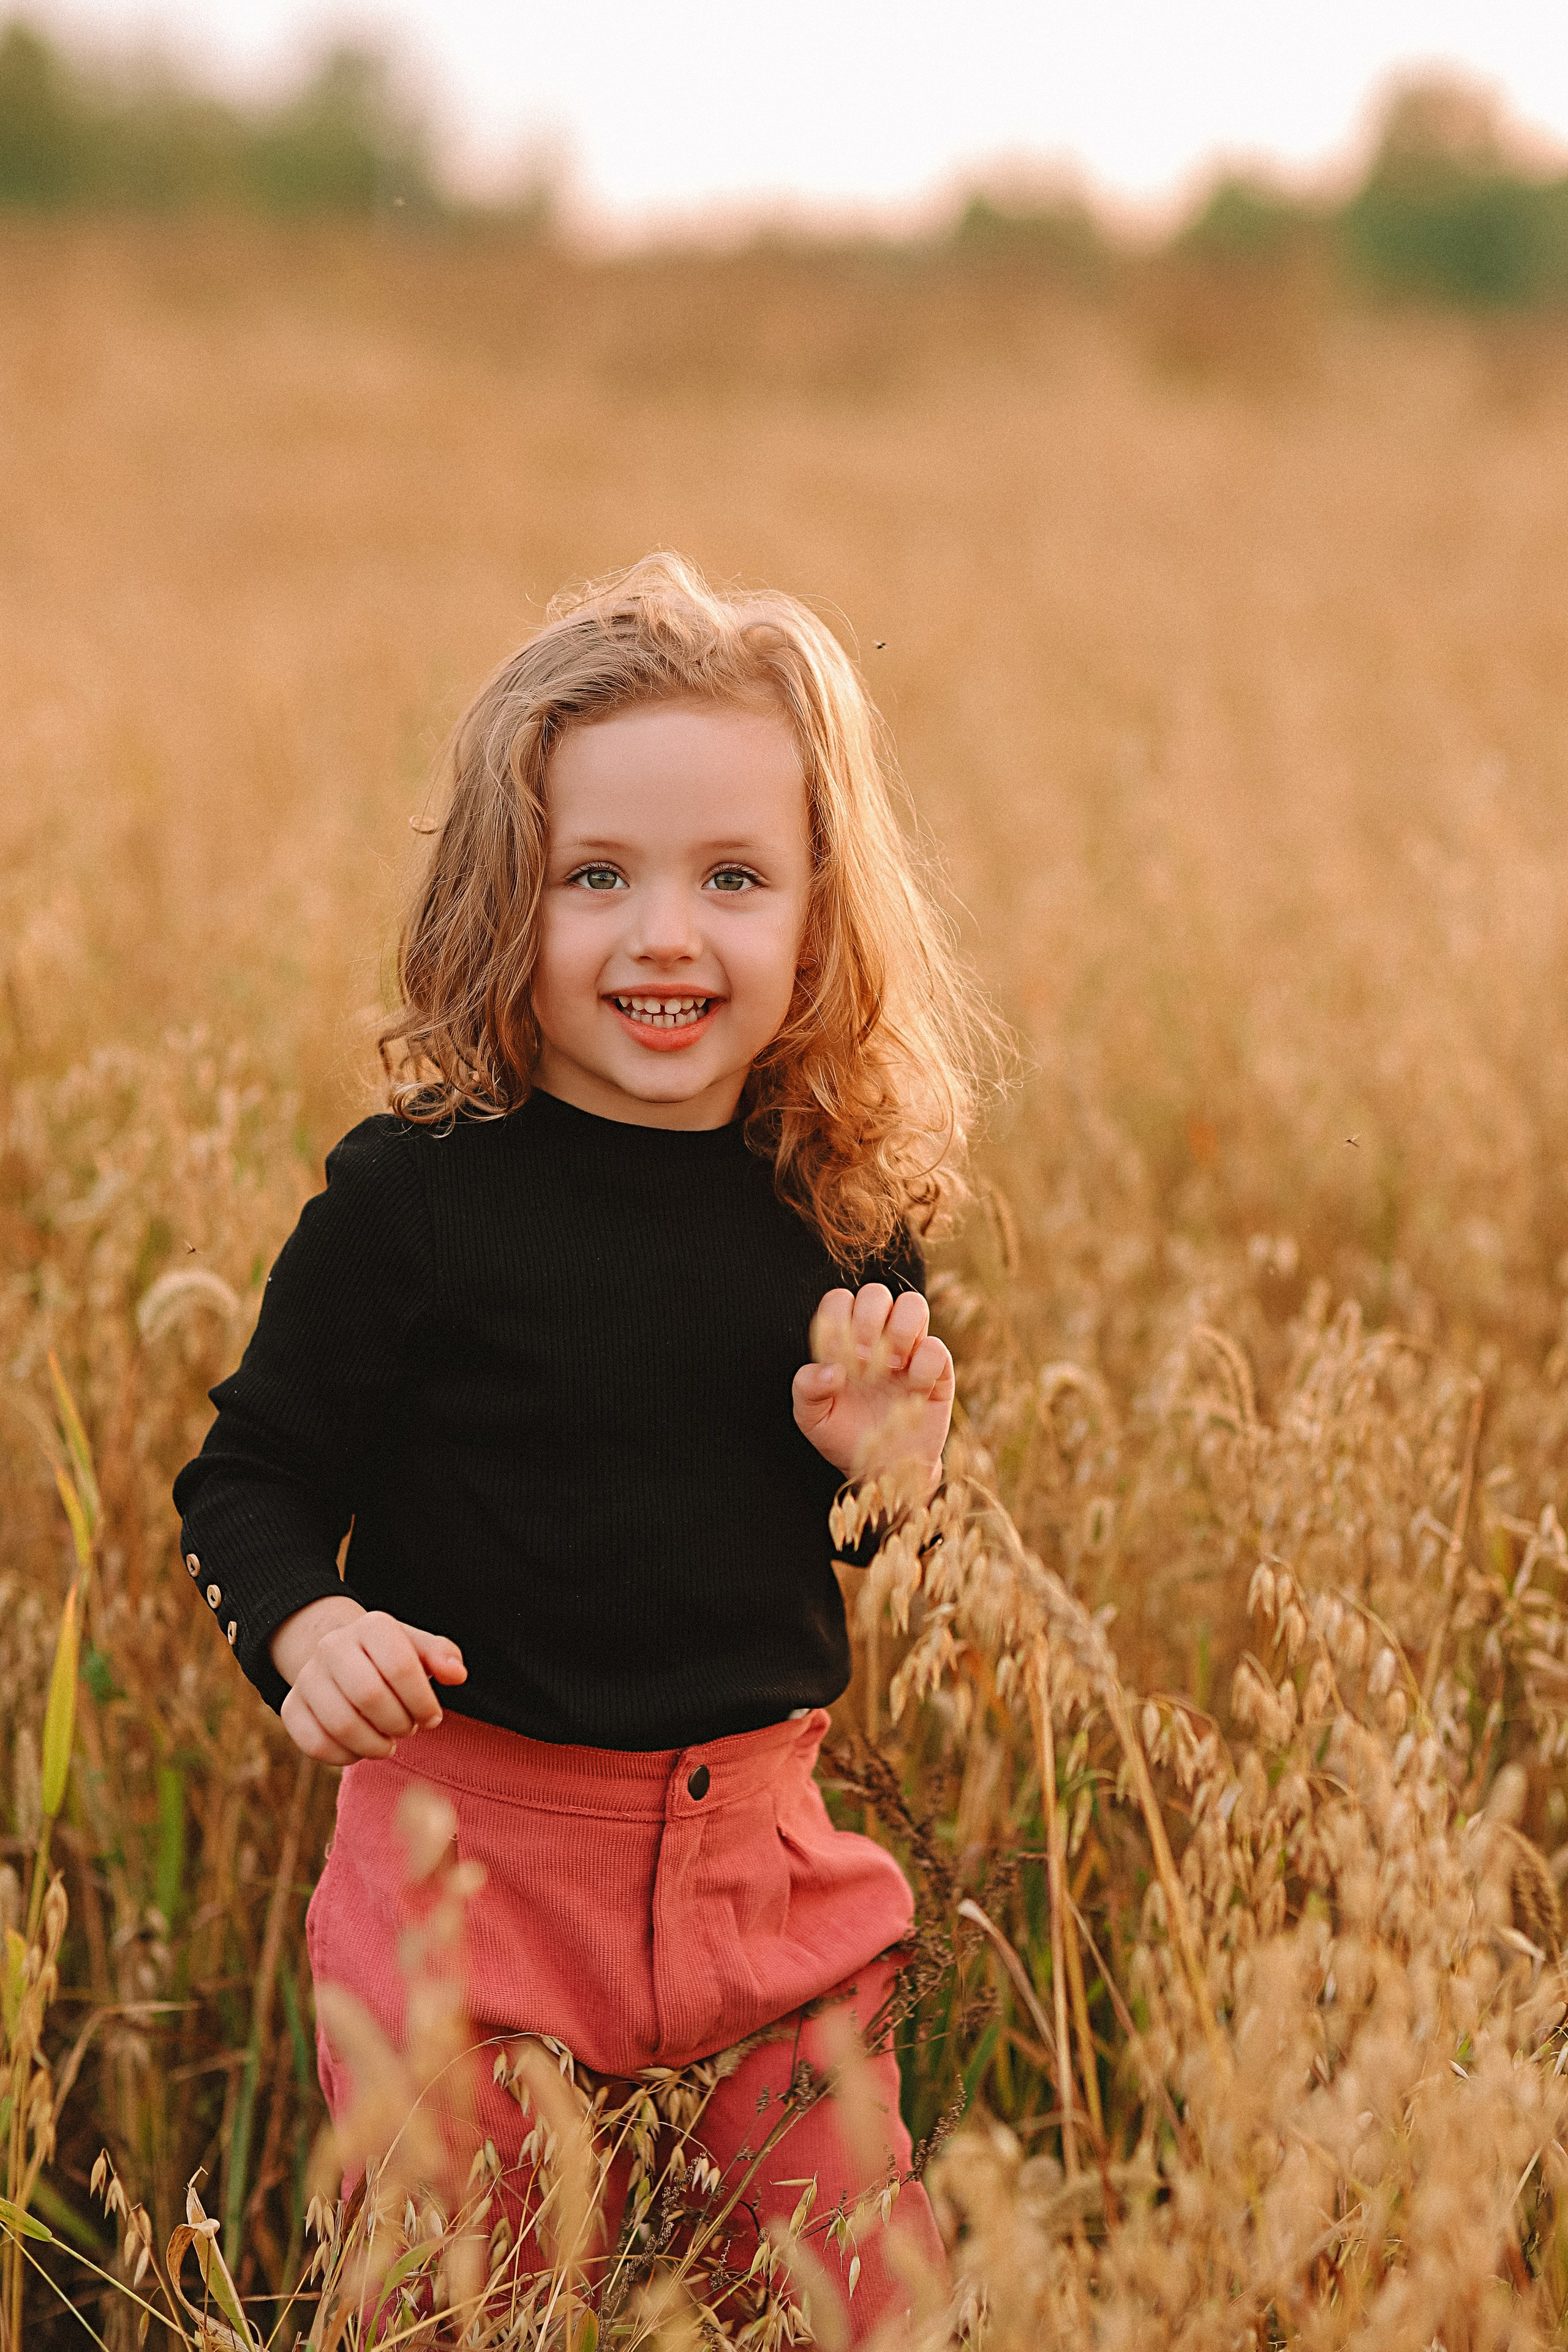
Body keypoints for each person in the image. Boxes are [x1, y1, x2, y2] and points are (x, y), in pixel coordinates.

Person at [173, 552, 993, 2340]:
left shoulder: (839, 1215)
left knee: (867, 2306)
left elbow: (863, 1559)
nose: (665, 936)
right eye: (595, 877)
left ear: (818, 914)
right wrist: (309, 1629)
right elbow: (251, 1477)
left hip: (767, 1883)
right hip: (468, 1885)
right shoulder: (415, 1201)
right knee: (472, 2309)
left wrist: (884, 1474)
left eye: (733, 879)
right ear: (500, 901)